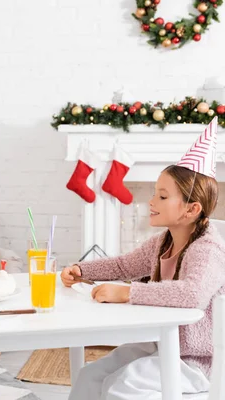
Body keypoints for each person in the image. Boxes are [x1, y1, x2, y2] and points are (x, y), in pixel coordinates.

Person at [62, 118, 225, 400]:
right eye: (153, 193)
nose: (151, 202)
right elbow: (123, 265)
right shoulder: (165, 241)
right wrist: (81, 268)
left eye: (162, 196)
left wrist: (127, 292)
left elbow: (193, 294)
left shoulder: (207, 249)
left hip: (198, 361)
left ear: (191, 209)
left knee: (123, 385)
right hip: (163, 344)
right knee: (90, 375)